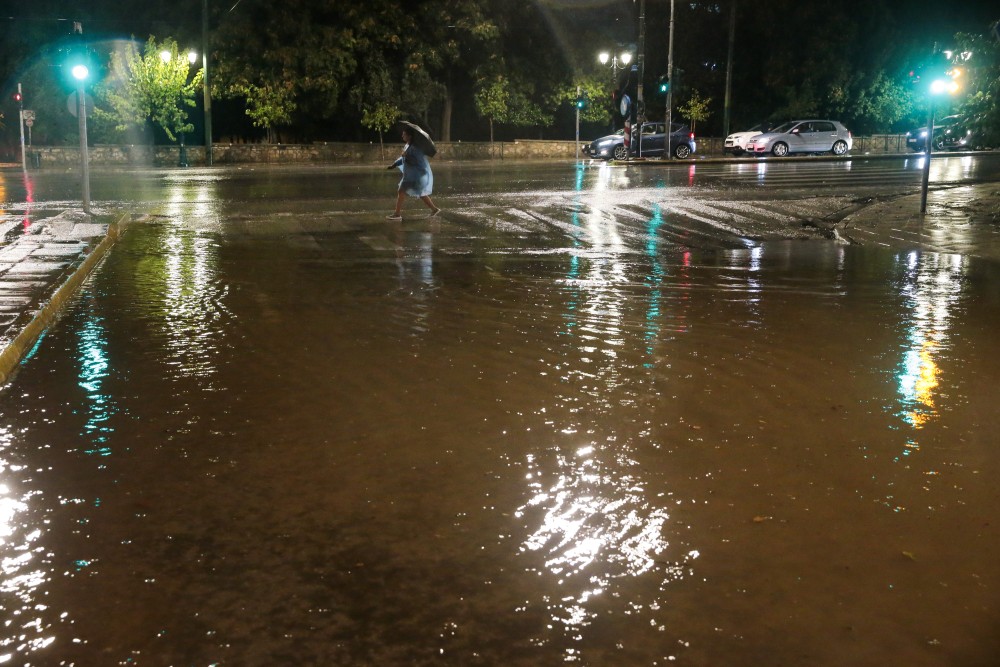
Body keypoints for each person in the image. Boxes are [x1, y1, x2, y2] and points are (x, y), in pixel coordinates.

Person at [386, 127, 440, 220]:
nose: (402, 135)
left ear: (409, 136)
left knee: (401, 191)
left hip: (414, 176)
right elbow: (403, 158)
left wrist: (407, 157)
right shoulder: (408, 146)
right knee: (421, 193)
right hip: (410, 175)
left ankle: (397, 214)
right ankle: (434, 209)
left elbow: (420, 163)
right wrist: (394, 164)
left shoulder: (415, 148)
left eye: (404, 134)